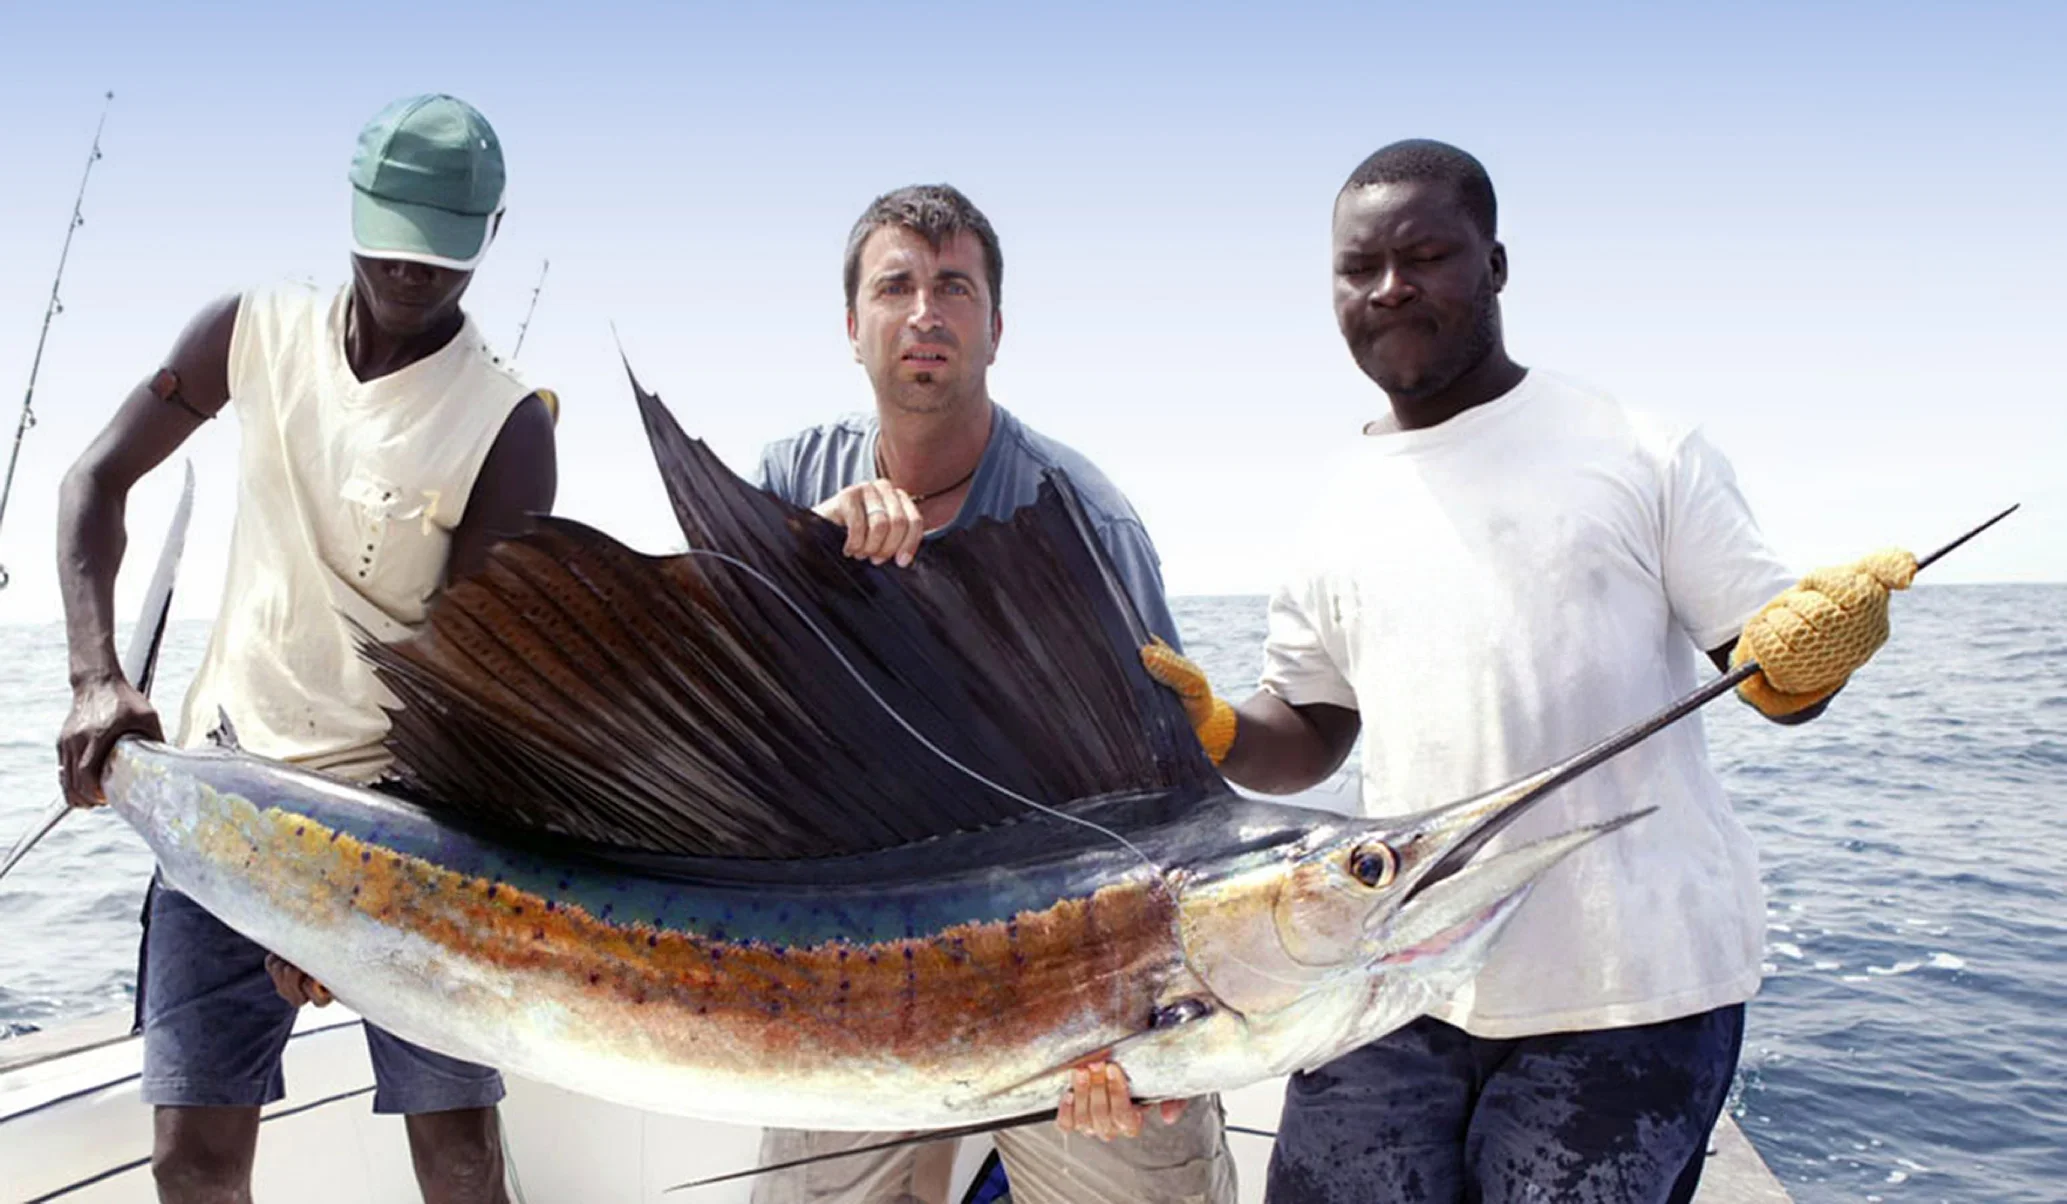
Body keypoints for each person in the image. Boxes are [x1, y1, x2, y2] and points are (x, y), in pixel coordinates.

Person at [1140, 139, 1916, 1203]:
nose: (1390, 288)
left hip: (1630, 991)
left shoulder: (1644, 448)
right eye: (1359, 267)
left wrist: (1812, 655)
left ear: (1496, 265)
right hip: (1392, 984)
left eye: (1425, 256)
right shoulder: (1335, 504)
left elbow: (1767, 671)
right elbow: (1314, 727)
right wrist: (1221, 728)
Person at [54, 93, 558, 1204]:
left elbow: (474, 711)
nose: (413, 276)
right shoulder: (248, 329)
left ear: (489, 238)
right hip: (223, 806)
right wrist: (97, 676)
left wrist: (338, 918)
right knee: (191, 1164)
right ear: (353, 212)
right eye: (392, 248)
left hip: (403, 839)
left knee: (463, 1163)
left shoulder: (510, 425)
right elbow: (93, 480)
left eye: (441, 257)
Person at [750, 183, 1236, 1204]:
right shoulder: (793, 477)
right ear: (853, 326)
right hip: (846, 973)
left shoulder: (1083, 518)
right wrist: (804, 554)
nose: (926, 311)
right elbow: (706, 697)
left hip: (1071, 986)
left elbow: (1174, 820)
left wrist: (1149, 1040)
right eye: (897, 286)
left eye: (953, 287)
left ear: (995, 327)